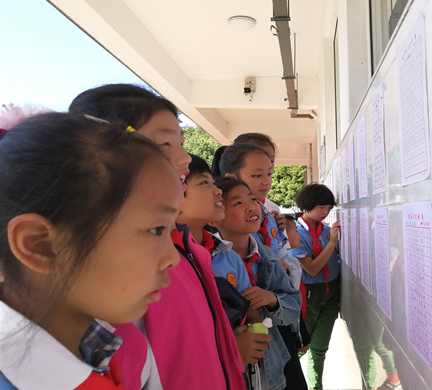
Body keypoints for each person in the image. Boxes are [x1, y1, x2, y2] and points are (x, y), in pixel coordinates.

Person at [68, 84, 245, 390]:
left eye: (182, 143)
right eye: (165, 143)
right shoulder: (108, 268)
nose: (185, 158)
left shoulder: (186, 246)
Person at [0, 112, 182, 389]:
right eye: (156, 229)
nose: (173, 258)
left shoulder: (104, 351)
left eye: (170, 229)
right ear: (41, 245)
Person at [213, 144, 308, 389]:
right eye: (238, 203)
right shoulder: (209, 260)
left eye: (253, 200)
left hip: (275, 351)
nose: (252, 206)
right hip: (233, 361)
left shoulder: (265, 255)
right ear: (215, 214)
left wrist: (272, 300)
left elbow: (292, 303)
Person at [178, 153, 270, 368]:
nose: (217, 190)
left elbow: (251, 313)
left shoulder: (227, 255)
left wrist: (253, 332)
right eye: (204, 183)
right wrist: (229, 347)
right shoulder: (170, 261)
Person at [289, 184, 341, 390]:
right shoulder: (296, 233)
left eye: (329, 208)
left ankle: (316, 386)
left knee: (320, 348)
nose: (325, 212)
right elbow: (311, 269)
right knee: (302, 345)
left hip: (331, 292)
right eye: (321, 207)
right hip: (309, 294)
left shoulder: (327, 231)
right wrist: (332, 243)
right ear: (307, 205)